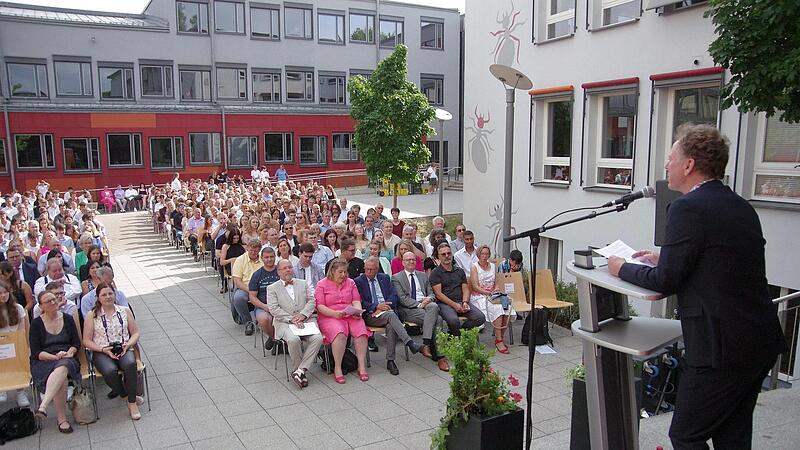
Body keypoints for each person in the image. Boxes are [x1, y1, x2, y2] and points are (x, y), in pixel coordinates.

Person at [608, 124, 787, 450]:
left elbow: (665, 282)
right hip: (758, 342)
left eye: (671, 157)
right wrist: (664, 256)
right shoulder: (739, 205)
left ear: (689, 164)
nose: (666, 164)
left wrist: (622, 267)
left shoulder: (687, 208)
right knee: (732, 436)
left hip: (721, 348)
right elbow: (721, 262)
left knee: (686, 434)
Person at [81, 283, 143, 420]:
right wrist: (103, 349)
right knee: (109, 371)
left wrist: (128, 345)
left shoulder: (125, 311)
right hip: (102, 350)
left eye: (110, 293)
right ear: (98, 297)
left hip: (123, 346)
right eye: (104, 294)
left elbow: (135, 333)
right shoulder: (92, 315)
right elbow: (86, 340)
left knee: (129, 364)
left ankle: (132, 404)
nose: (108, 297)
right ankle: (126, 395)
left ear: (115, 295)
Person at [355, 257, 423, 375]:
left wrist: (386, 306)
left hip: (387, 311)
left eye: (371, 269)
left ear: (377, 269)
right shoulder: (358, 281)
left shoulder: (384, 278)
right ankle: (409, 343)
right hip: (371, 314)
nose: (368, 272)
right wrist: (376, 306)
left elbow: (394, 295)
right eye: (366, 269)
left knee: (391, 325)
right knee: (391, 316)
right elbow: (360, 302)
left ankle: (390, 360)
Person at [31, 291, 81, 433]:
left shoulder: (67, 319)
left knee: (64, 365)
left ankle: (44, 405)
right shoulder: (36, 324)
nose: (53, 303)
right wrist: (54, 357)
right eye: (48, 301)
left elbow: (76, 343)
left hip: (67, 357)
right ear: (41, 306)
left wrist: (68, 353)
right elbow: (36, 352)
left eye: (54, 299)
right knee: (62, 378)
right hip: (45, 360)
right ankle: (61, 419)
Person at [267, 260, 323, 389]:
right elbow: (274, 309)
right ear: (278, 271)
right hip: (285, 322)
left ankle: (300, 371)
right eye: (284, 268)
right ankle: (298, 369)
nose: (288, 270)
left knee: (318, 338)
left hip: (305, 319)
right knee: (293, 339)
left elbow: (312, 301)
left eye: (290, 267)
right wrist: (292, 319)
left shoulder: (302, 284)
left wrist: (303, 315)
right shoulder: (272, 288)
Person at [391, 252, 449, 371]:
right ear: (403, 262)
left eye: (413, 259)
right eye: (408, 260)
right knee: (438, 319)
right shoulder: (396, 277)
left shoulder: (423, 275)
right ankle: (440, 356)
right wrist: (419, 305)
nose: (411, 262)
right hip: (409, 309)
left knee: (433, 306)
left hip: (426, 305)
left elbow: (431, 293)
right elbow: (403, 299)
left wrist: (429, 299)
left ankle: (426, 344)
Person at [314, 258, 370, 384]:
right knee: (339, 333)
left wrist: (357, 311)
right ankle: (338, 367)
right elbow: (320, 306)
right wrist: (335, 313)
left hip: (349, 314)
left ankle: (361, 365)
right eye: (340, 272)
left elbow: (356, 300)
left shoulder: (350, 283)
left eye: (345, 272)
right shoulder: (321, 284)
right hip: (330, 315)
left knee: (360, 330)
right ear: (332, 271)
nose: (344, 275)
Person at [430, 242, 485, 336]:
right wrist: (455, 305)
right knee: (454, 321)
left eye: (449, 253)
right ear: (438, 256)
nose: (447, 256)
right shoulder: (436, 272)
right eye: (443, 254)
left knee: (480, 318)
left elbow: (466, 289)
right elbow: (438, 294)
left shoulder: (459, 271)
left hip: (460, 301)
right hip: (445, 304)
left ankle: (460, 333)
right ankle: (457, 338)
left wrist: (465, 302)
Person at [469, 245, 514, 354]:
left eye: (486, 254)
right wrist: (487, 293)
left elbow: (497, 282)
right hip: (479, 295)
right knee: (497, 309)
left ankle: (500, 337)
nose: (484, 256)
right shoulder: (474, 267)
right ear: (479, 255)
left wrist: (496, 290)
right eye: (482, 254)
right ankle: (499, 341)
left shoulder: (494, 266)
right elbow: (475, 286)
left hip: (493, 294)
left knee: (507, 309)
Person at [0, 281, 31, 406]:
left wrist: (17, 343)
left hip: (16, 342)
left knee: (18, 353)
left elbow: (22, 330)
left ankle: (20, 391)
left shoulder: (17, 308)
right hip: (1, 345)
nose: (3, 295)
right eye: (0, 293)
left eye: (5, 292)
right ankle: (2, 386)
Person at [248, 246, 280, 350]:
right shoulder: (257, 275)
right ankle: (275, 339)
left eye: (271, 257)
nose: (269, 259)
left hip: (281, 305)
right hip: (263, 305)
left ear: (275, 257)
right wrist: (265, 307)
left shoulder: (280, 271)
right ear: (262, 258)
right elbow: (252, 297)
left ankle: (279, 340)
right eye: (266, 257)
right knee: (264, 319)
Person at [231, 239, 264, 335]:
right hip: (245, 287)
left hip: (261, 287)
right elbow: (237, 281)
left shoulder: (263, 259)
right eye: (251, 251)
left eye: (256, 251)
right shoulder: (240, 260)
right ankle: (248, 322)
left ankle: (262, 319)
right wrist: (250, 290)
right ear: (247, 249)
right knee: (238, 298)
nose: (253, 253)